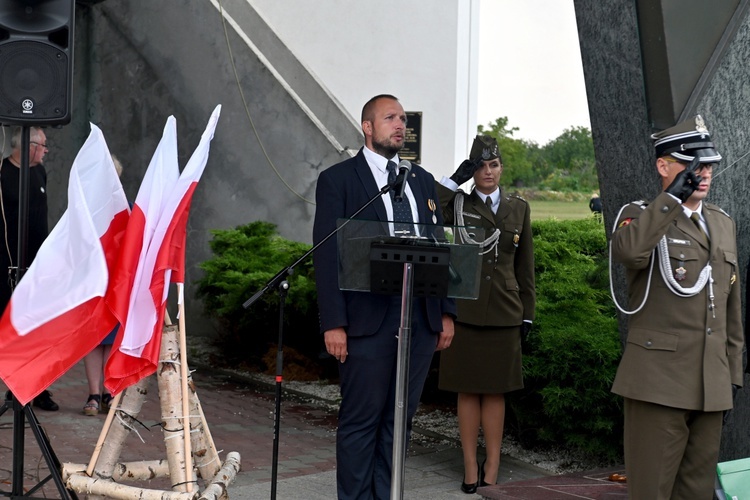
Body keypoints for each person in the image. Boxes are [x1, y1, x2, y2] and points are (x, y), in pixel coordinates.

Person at [313, 94, 456, 499]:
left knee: (400, 420)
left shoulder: (422, 181)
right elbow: (327, 256)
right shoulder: (339, 180)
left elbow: (440, 246)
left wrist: (446, 311)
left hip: (419, 316)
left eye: (404, 119)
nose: (400, 125)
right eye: (390, 118)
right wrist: (334, 322)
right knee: (362, 420)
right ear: (368, 127)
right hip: (366, 319)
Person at [610, 115, 743, 499]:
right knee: (652, 490)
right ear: (663, 166)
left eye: (707, 165)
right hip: (659, 383)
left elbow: (731, 305)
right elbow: (630, 252)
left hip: (710, 382)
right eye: (690, 165)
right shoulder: (640, 217)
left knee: (697, 492)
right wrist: (671, 199)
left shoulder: (721, 222)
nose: (701, 174)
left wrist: (730, 374)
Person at [436, 135, 535, 493]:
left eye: (493, 165)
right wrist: (454, 178)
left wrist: (528, 312)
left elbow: (526, 267)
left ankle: (492, 462)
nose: (487, 171)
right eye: (479, 165)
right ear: (472, 170)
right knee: (466, 391)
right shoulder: (458, 205)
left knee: (496, 391)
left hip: (506, 312)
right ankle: (468, 464)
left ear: (501, 168)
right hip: (464, 308)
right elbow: (429, 205)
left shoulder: (518, 208)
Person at [0, 126, 58, 411]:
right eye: (43, 145)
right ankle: (14, 388)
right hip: (9, 264)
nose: (46, 150)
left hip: (38, 265)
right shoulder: (3, 174)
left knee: (39, 327)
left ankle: (40, 388)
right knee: (13, 328)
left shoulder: (39, 172)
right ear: (27, 145)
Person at [81, 154, 124, 416]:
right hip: (93, 281)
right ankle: (93, 394)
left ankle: (109, 391)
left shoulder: (127, 208)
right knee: (93, 340)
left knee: (112, 338)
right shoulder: (85, 207)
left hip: (118, 282)